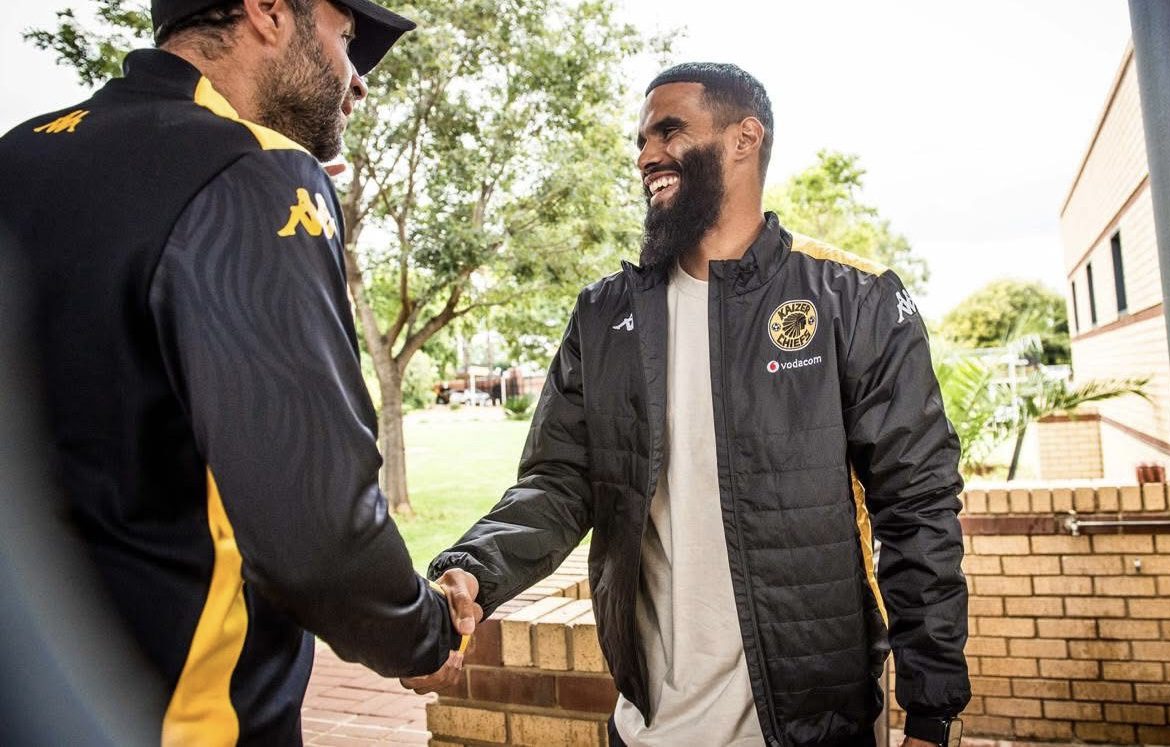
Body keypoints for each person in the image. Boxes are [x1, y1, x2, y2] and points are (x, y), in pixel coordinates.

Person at [411, 63, 970, 747]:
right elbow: (556, 483)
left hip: (812, 727)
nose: (647, 156)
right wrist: (473, 568)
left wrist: (931, 710)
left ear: (745, 137)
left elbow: (918, 510)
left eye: (669, 131)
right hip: (645, 726)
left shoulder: (853, 299)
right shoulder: (604, 314)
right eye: (641, 140)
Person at [0, 1, 468, 743]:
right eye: (347, 39)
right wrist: (425, 630)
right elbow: (319, 539)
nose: (358, 82)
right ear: (269, 12)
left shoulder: (19, 151)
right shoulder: (255, 169)